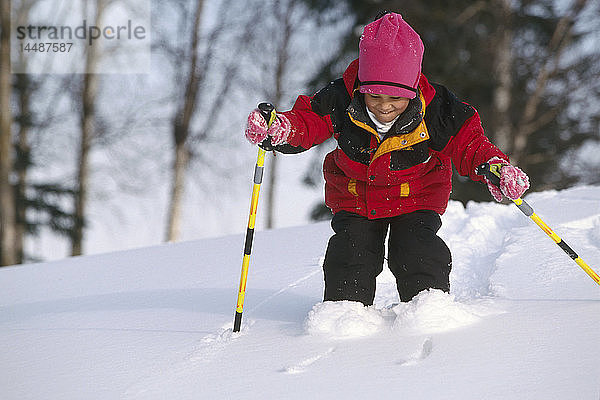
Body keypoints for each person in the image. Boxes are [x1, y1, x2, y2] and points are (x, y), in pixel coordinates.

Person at [244, 12, 529, 306]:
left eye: (395, 98)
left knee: (417, 250)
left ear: (412, 87)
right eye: (374, 96)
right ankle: (344, 314)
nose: (384, 106)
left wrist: (496, 166)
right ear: (362, 86)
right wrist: (282, 128)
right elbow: (308, 122)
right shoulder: (341, 98)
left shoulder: (436, 107)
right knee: (350, 252)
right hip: (356, 195)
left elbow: (469, 142)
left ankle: (427, 309)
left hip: (416, 195)